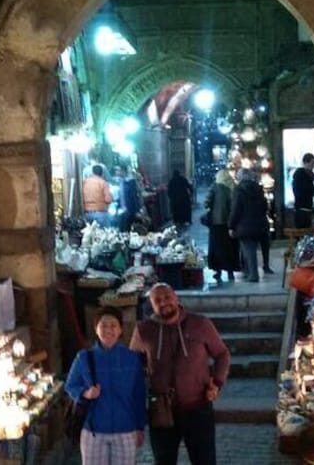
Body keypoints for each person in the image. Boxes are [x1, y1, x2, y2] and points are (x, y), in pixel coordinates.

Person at [130, 283, 230, 465]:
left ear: (176, 298)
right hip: (161, 411)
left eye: (167, 297)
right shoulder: (143, 330)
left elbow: (222, 354)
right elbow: (133, 366)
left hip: (198, 408)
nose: (164, 303)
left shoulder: (200, 324)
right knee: (163, 461)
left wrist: (217, 382)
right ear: (151, 305)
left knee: (205, 461)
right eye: (157, 300)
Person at [65, 306, 147, 465]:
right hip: (93, 430)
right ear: (96, 329)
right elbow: (70, 385)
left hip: (126, 429)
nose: (108, 330)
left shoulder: (131, 358)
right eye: (103, 325)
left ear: (121, 329)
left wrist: (140, 427)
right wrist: (85, 393)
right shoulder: (84, 357)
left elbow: (139, 395)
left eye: (113, 325)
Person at [229, 169, 268, 283]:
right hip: (259, 224)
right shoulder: (258, 189)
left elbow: (236, 209)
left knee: (248, 250)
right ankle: (247, 271)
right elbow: (265, 206)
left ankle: (253, 274)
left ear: (240, 177)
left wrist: (231, 225)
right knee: (249, 249)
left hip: (244, 225)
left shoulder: (239, 190)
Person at [204, 169, 239, 285]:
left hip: (216, 223)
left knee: (216, 248)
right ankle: (230, 272)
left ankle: (218, 272)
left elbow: (206, 202)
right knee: (229, 248)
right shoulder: (232, 187)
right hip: (230, 223)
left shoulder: (215, 187)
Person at [292, 153, 314, 229]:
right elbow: (307, 190)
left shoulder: (303, 176)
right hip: (302, 209)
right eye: (312, 164)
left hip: (304, 208)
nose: (313, 166)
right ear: (305, 163)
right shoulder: (302, 176)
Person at [114, 165, 141, 232]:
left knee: (129, 228)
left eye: (118, 170)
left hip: (130, 210)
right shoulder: (119, 182)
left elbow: (134, 196)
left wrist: (137, 210)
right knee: (122, 229)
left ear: (123, 171)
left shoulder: (130, 182)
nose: (116, 172)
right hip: (121, 210)